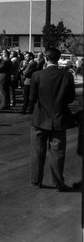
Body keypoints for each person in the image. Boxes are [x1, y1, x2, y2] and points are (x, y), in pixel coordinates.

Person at [29, 48, 76, 191]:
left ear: (45, 58)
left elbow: (32, 98)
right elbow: (70, 98)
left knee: (37, 151)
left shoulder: (36, 75)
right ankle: (57, 182)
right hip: (59, 119)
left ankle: (36, 180)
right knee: (57, 153)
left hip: (40, 119)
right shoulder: (67, 76)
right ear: (58, 58)